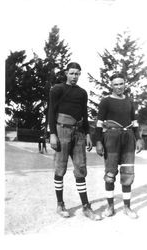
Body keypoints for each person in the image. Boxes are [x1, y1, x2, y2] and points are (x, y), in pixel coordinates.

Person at [48, 62, 101, 221]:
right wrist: (52, 133)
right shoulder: (57, 89)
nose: (74, 76)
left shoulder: (82, 92)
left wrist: (87, 134)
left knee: (81, 168)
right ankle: (60, 204)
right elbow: (51, 111)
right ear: (66, 73)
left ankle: (86, 206)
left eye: (77, 73)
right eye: (71, 73)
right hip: (62, 130)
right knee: (60, 168)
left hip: (78, 133)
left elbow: (84, 113)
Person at [95, 72, 143, 219]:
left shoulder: (129, 102)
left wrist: (138, 138)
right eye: (115, 84)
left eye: (121, 83)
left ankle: (127, 207)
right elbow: (99, 123)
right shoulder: (106, 101)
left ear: (125, 84)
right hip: (111, 137)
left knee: (128, 172)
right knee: (110, 173)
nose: (119, 87)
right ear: (111, 85)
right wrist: (98, 141)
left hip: (128, 137)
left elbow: (134, 122)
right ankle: (110, 206)